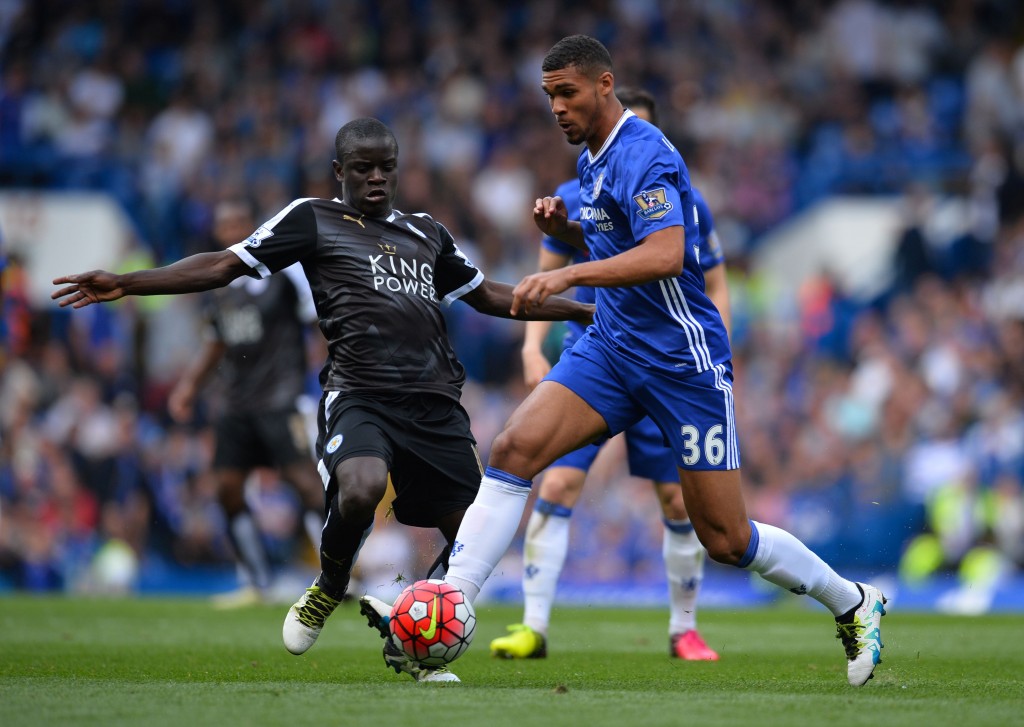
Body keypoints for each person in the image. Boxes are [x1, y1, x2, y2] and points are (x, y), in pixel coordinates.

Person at [361, 35, 887, 688]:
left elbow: (667, 254)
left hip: (681, 361)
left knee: (725, 538)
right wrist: (567, 234)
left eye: (568, 93)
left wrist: (566, 272)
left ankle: (854, 602)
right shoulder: (592, 158)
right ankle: (456, 595)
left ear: (604, 85)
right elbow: (621, 239)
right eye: (549, 95)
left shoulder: (646, 153)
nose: (556, 107)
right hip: (612, 347)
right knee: (515, 447)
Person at [52, 117, 595, 684]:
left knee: (469, 542)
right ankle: (329, 587)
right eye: (364, 168)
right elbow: (223, 264)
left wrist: (582, 309)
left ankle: (408, 641)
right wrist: (129, 282)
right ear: (340, 172)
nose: (378, 178)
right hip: (359, 395)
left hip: (436, 405)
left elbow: (492, 297)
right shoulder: (312, 219)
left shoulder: (428, 233)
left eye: (387, 167)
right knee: (359, 488)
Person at [489, 88, 726, 662]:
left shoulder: (682, 197)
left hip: (668, 359)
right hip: (595, 357)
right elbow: (545, 274)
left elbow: (709, 279)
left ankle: (684, 629)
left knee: (679, 499)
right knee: (556, 480)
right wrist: (530, 347)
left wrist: (716, 340)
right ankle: (533, 626)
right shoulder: (578, 189)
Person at [167, 197, 325, 608]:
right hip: (236, 403)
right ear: (217, 233)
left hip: (281, 397)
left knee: (304, 483)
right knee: (227, 488)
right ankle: (258, 583)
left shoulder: (286, 273)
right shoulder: (218, 286)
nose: (233, 229)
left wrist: (331, 375)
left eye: (240, 221)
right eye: (226, 224)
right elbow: (215, 343)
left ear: (252, 226)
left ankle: (337, 577)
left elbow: (319, 324)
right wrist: (188, 387)